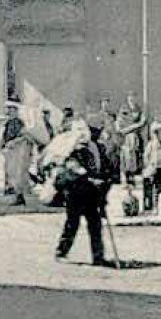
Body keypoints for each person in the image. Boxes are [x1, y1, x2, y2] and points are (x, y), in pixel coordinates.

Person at [53, 114, 113, 267]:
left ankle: (98, 256)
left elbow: (105, 170)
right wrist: (92, 179)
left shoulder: (98, 148)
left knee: (95, 224)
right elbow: (76, 170)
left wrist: (104, 189)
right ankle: (61, 251)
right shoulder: (74, 150)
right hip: (75, 194)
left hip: (92, 195)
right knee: (72, 223)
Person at [0, 100, 37, 206]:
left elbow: (23, 136)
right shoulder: (8, 122)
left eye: (11, 109)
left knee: (17, 174)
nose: (9, 111)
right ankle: (19, 195)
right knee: (12, 174)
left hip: (17, 151)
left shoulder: (18, 122)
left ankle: (19, 196)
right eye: (8, 109)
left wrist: (12, 142)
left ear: (15, 110)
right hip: (10, 151)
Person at [115, 93, 147, 188]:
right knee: (124, 157)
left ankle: (131, 178)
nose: (131, 99)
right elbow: (119, 122)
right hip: (124, 137)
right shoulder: (124, 108)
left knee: (132, 157)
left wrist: (133, 127)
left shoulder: (139, 109)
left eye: (133, 97)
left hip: (134, 136)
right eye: (130, 97)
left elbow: (142, 122)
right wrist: (125, 129)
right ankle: (124, 179)